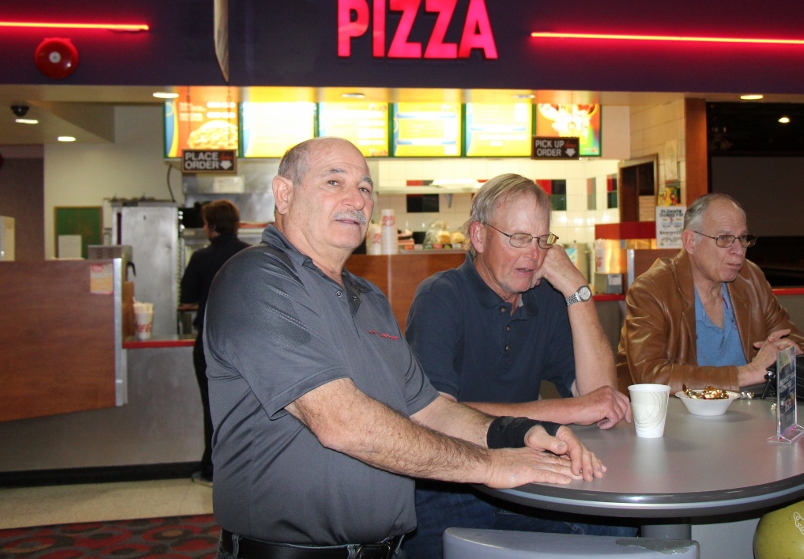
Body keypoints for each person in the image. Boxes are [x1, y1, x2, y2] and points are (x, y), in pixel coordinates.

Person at [204, 138, 605, 559]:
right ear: (284, 194)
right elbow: (343, 423)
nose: (355, 199)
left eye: (364, 187)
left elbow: (430, 409)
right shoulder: (256, 278)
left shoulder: (369, 298)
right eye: (334, 181)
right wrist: (491, 465)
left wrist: (517, 433)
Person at [404, 173, 635, 558]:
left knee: (614, 530)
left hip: (524, 477)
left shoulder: (544, 298)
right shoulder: (440, 297)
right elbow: (432, 415)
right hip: (450, 485)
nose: (534, 254)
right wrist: (565, 411)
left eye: (542, 241)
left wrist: (577, 291)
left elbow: (600, 400)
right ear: (479, 237)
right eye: (519, 239)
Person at [617, 193, 804, 392]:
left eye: (743, 238)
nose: (738, 250)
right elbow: (650, 377)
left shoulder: (750, 278)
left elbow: (799, 344)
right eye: (725, 238)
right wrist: (747, 373)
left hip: (752, 415)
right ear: (691, 242)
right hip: (680, 418)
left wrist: (788, 351)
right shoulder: (652, 290)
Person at [178, 199, 250, 485]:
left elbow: (186, 298)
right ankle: (245, 467)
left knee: (213, 405)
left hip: (210, 343)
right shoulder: (252, 254)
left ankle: (213, 468)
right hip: (248, 343)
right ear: (237, 224)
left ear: (209, 227)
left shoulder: (201, 258)